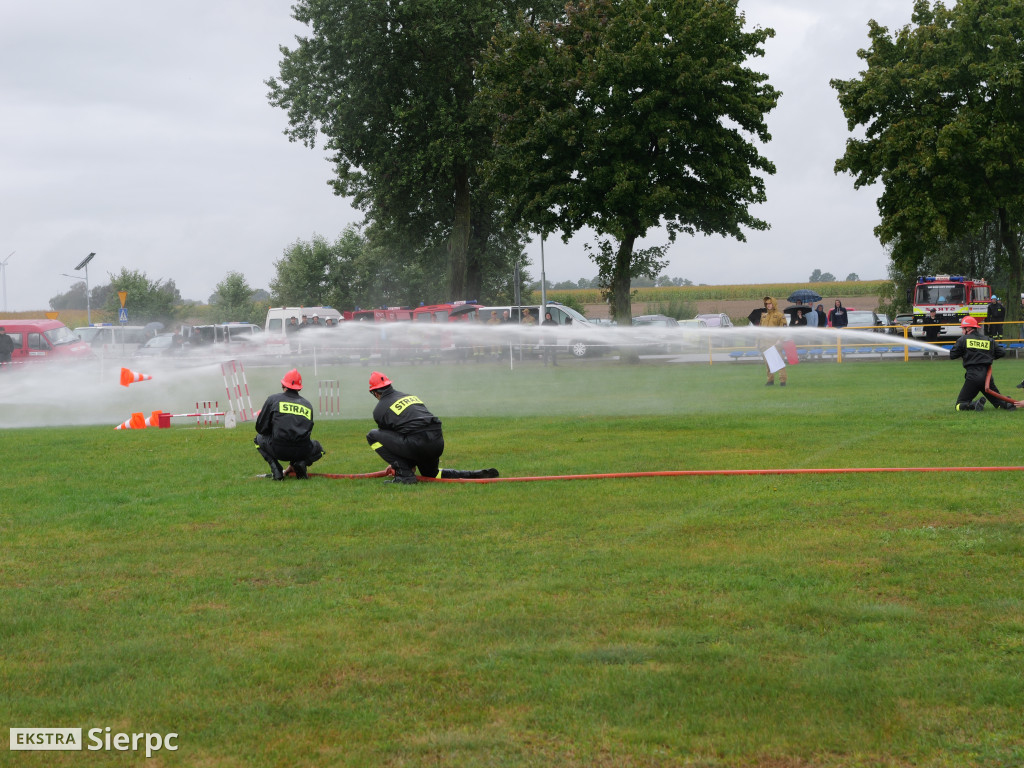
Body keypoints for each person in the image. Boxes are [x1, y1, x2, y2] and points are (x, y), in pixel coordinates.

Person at [366, 372, 499, 484]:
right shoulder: (409, 396)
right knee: (432, 474)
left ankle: (404, 476)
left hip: (417, 444)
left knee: (373, 436)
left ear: (375, 393)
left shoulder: (380, 410)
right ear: (389, 385)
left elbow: (394, 441)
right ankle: (473, 475)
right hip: (436, 443)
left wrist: (401, 466)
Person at [253, 369, 326, 480]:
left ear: (283, 384)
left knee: (258, 439)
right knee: (319, 448)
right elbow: (308, 431)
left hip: (278, 449)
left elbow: (260, 428)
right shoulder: (307, 405)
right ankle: (301, 463)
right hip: (302, 450)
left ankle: (276, 470)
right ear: (299, 387)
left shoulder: (273, 399)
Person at [949, 316, 1014, 411]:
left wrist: (965, 352)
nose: (962, 331)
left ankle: (974, 405)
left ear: (968, 328)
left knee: (959, 405)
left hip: (973, 377)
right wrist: (988, 357)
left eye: (963, 328)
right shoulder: (988, 340)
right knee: (999, 403)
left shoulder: (963, 340)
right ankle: (1008, 404)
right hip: (987, 377)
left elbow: (953, 355)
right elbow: (1002, 352)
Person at [759, 296, 788, 386]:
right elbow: (760, 330)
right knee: (768, 364)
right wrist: (758, 341)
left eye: (770, 303)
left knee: (779, 363)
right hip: (765, 344)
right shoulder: (764, 316)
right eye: (767, 304)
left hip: (775, 343)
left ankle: (783, 381)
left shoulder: (780, 315)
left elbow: (784, 329)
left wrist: (779, 340)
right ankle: (770, 380)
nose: (768, 305)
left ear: (774, 304)